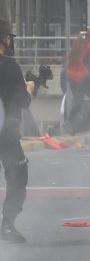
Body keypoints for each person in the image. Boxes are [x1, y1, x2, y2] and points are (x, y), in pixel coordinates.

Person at [0, 19, 34, 243]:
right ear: (6, 39)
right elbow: (21, 101)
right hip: (6, 131)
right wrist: (29, 88)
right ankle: (8, 225)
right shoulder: (9, 65)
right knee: (17, 175)